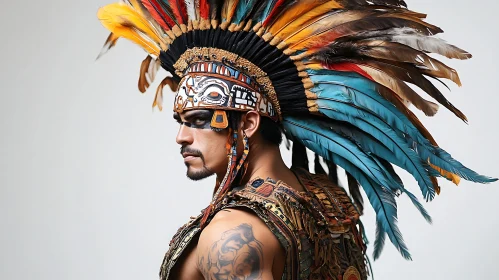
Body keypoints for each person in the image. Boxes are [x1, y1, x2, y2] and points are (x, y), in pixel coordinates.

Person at [96, 1, 497, 279]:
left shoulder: (232, 235)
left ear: (249, 122)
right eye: (180, 120)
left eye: (199, 120)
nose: (182, 136)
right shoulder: (326, 199)